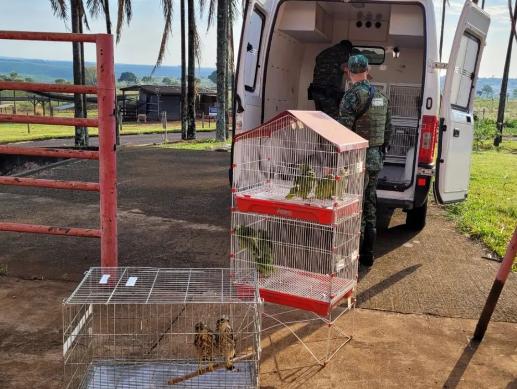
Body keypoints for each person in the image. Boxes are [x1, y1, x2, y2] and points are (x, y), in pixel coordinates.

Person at [338, 54, 391, 267]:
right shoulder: (381, 96)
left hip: (357, 160)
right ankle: (368, 254)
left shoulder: (351, 97)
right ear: (367, 70)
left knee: (353, 204)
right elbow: (388, 130)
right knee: (370, 203)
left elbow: (343, 132)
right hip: (375, 157)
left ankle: (351, 255)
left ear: (348, 72)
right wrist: (378, 152)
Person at [310, 40, 356, 119]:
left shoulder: (323, 52)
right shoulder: (343, 53)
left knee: (319, 117)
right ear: (348, 48)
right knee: (333, 119)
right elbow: (346, 69)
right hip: (328, 91)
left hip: (315, 90)